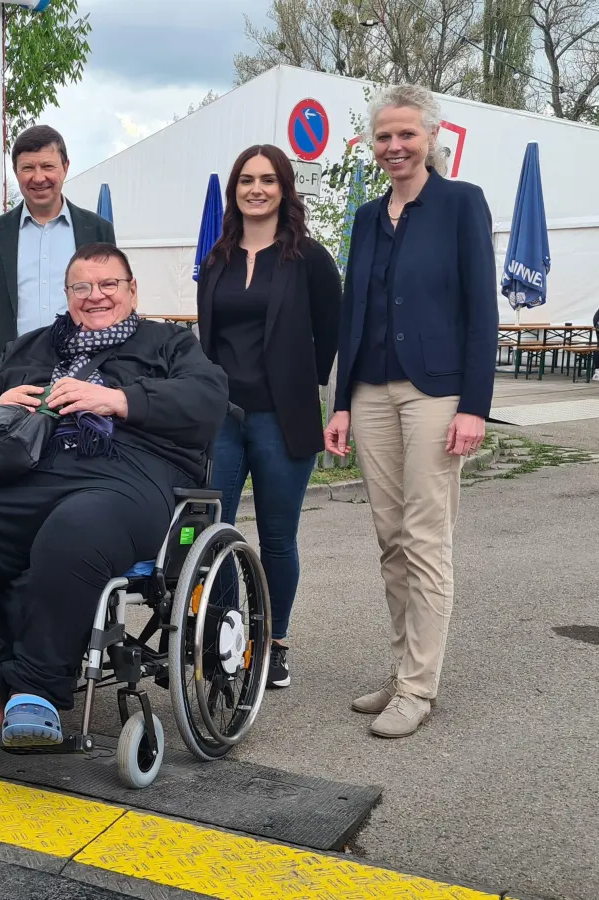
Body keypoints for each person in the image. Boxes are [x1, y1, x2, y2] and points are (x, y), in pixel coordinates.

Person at [0, 243, 227, 746]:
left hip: (127, 473)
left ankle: (36, 691)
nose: (96, 296)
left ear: (132, 291)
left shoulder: (169, 344)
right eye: (82, 287)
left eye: (109, 284)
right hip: (26, 472)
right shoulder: (33, 347)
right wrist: (0, 402)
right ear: (67, 294)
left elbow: (209, 398)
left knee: (76, 529)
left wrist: (119, 400)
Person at [322, 85, 498, 739]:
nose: (395, 147)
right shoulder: (367, 217)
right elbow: (352, 313)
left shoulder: (460, 205)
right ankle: (401, 672)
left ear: (431, 137)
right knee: (389, 538)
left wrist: (474, 406)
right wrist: (340, 402)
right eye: (384, 138)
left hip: (435, 393)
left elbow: (482, 310)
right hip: (370, 390)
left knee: (426, 539)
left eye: (406, 135)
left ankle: (420, 688)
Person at [196, 145, 341, 690]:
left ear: (284, 188)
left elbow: (330, 333)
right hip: (223, 419)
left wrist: (304, 386)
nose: (256, 189)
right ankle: (231, 635)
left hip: (284, 419)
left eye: (267, 180)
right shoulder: (217, 260)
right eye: (246, 180)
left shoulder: (309, 259)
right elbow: (209, 339)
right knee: (216, 532)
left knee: (278, 537)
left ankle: (273, 642)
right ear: (235, 190)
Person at [0, 125, 117, 388]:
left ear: (65, 167)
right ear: (16, 172)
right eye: (28, 168)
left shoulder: (97, 230)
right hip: (6, 380)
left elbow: (113, 305)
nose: (38, 177)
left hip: (83, 376)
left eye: (48, 166)